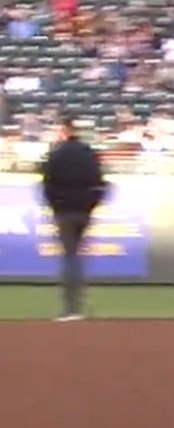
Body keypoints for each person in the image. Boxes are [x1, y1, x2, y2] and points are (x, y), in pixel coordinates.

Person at [38, 118, 108, 321]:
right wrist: (91, 205)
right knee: (76, 256)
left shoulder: (56, 153)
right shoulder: (88, 153)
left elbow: (46, 185)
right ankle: (78, 305)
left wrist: (55, 206)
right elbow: (101, 183)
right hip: (83, 211)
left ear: (64, 130)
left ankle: (72, 308)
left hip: (64, 212)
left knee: (70, 257)